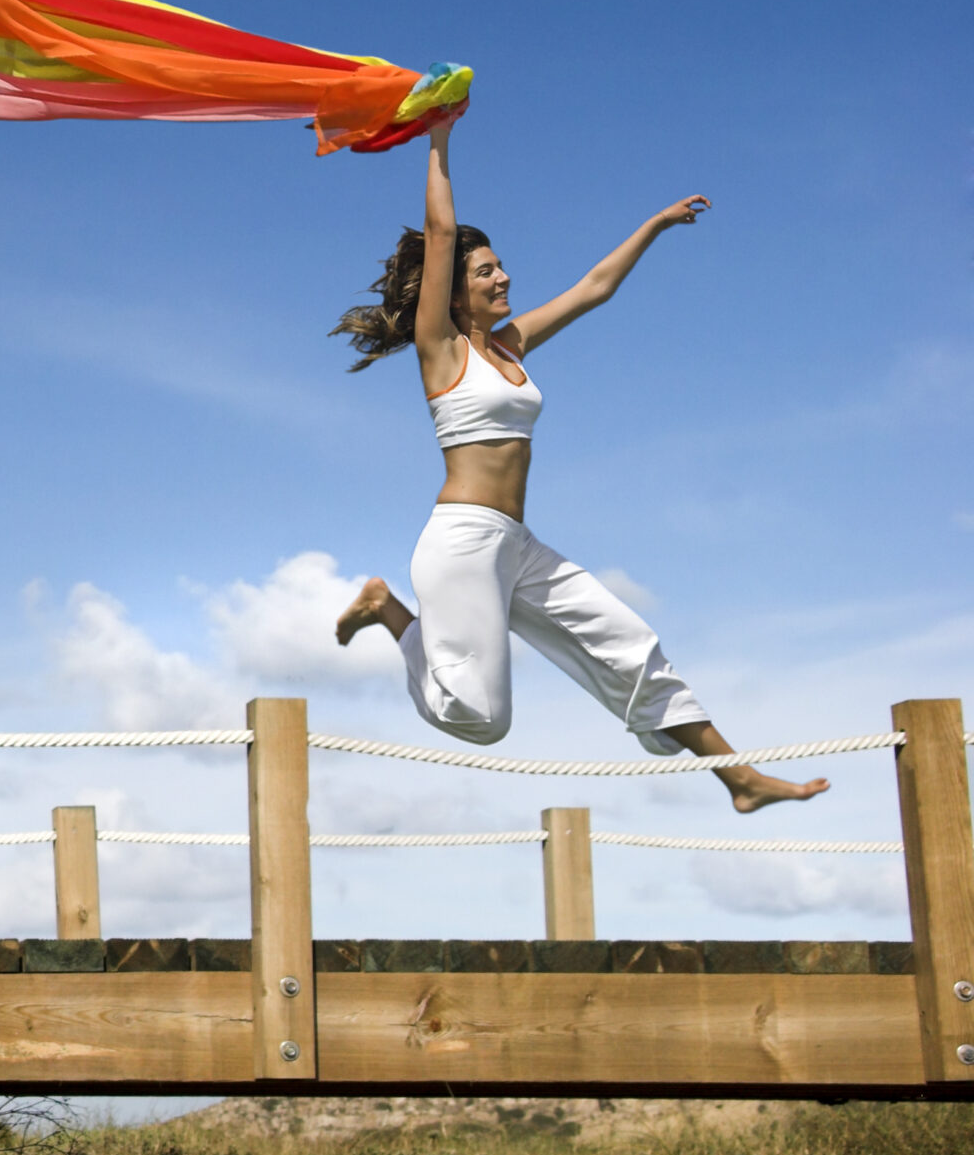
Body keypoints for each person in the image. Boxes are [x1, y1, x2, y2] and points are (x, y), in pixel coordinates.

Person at [328, 114, 825, 812]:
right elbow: (441, 234)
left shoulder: (510, 346)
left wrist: (655, 223)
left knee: (628, 642)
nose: (503, 277)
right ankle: (388, 612)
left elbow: (594, 287)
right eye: (486, 271)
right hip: (463, 544)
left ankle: (737, 778)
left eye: (500, 265)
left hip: (517, 545)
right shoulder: (439, 346)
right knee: (482, 720)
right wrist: (439, 137)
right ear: (453, 290)